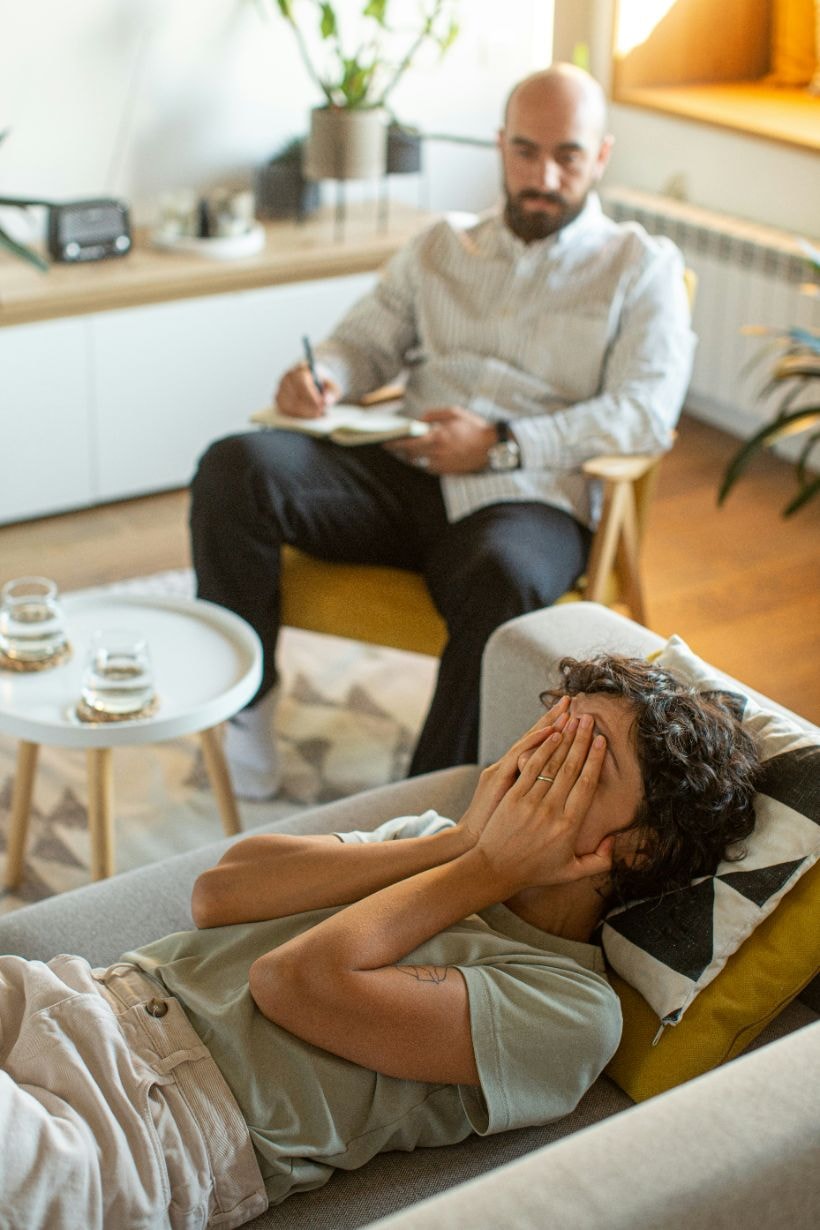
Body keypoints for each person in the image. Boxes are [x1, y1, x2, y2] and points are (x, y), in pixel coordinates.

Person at [1, 655, 760, 1229]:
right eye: (551, 730)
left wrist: (488, 868)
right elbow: (221, 894)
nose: (536, 760)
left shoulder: (570, 1013)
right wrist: (460, 842)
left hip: (150, 1128)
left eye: (584, 764)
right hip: (78, 998)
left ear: (636, 848)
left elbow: (294, 982)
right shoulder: (434, 841)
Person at [189, 62, 695, 798]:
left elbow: (646, 412)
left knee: (502, 578)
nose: (543, 175)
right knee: (235, 467)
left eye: (568, 155)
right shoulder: (439, 245)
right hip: (403, 470)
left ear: (602, 156)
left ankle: (423, 805)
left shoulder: (640, 266)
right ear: (499, 146)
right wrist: (326, 375)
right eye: (525, 151)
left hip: (526, 496)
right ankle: (249, 709)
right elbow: (362, 343)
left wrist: (500, 439)